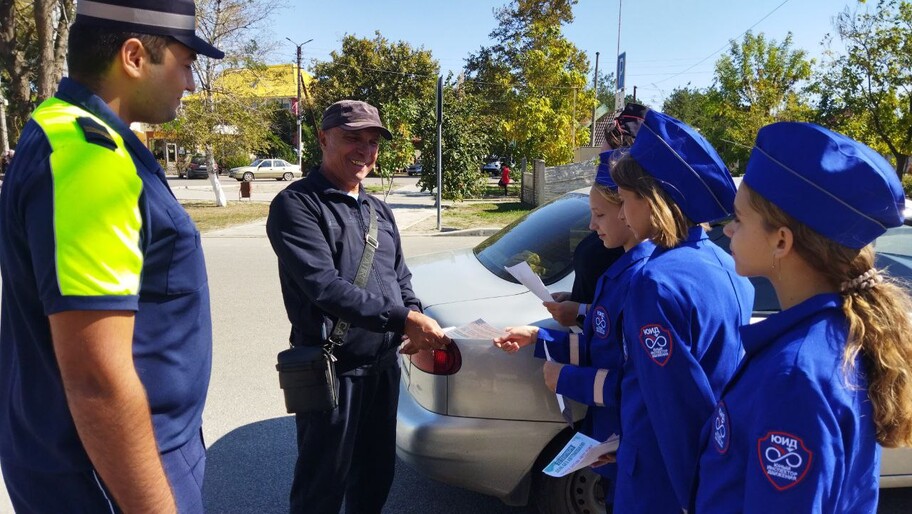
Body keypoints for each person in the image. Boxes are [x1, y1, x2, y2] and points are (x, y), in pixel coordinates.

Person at [0, 1, 223, 512]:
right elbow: (96, 380)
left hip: (117, 455)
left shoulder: (77, 136)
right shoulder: (87, 159)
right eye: (186, 63)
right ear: (134, 56)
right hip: (112, 472)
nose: (190, 83)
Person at [693, 123, 912, 512]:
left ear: (781, 241)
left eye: (739, 219)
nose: (727, 229)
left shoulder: (795, 374)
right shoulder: (829, 337)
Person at [266, 99, 450, 514]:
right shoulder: (297, 205)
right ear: (323, 138)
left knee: (374, 477)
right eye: (353, 138)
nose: (364, 150)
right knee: (322, 484)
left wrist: (414, 315)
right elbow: (324, 287)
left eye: (372, 142)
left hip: (382, 367)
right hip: (331, 369)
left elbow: (399, 277)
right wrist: (404, 319)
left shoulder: (377, 209)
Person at [609, 110, 754, 512]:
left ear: (654, 203)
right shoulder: (728, 265)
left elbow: (679, 410)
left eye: (624, 202)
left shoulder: (654, 282)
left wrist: (696, 498)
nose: (621, 215)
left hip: (662, 482)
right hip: (713, 465)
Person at [494, 149, 651, 507]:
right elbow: (604, 346)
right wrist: (537, 337)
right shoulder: (623, 271)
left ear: (632, 209)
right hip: (616, 439)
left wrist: (565, 379)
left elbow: (638, 382)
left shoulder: (646, 280)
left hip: (634, 441)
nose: (593, 226)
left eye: (600, 214)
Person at [545, 103, 648, 328]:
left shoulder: (645, 264)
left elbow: (628, 317)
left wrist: (582, 310)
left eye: (606, 158)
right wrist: (576, 298)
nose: (592, 225)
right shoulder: (612, 232)